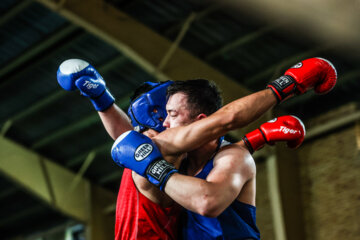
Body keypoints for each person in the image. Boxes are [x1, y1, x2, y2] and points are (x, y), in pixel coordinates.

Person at [57, 57, 336, 239]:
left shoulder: (226, 156)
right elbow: (127, 139)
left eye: (172, 114)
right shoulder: (183, 157)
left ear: (200, 121)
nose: (165, 122)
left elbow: (207, 200)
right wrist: (257, 138)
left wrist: (286, 85)